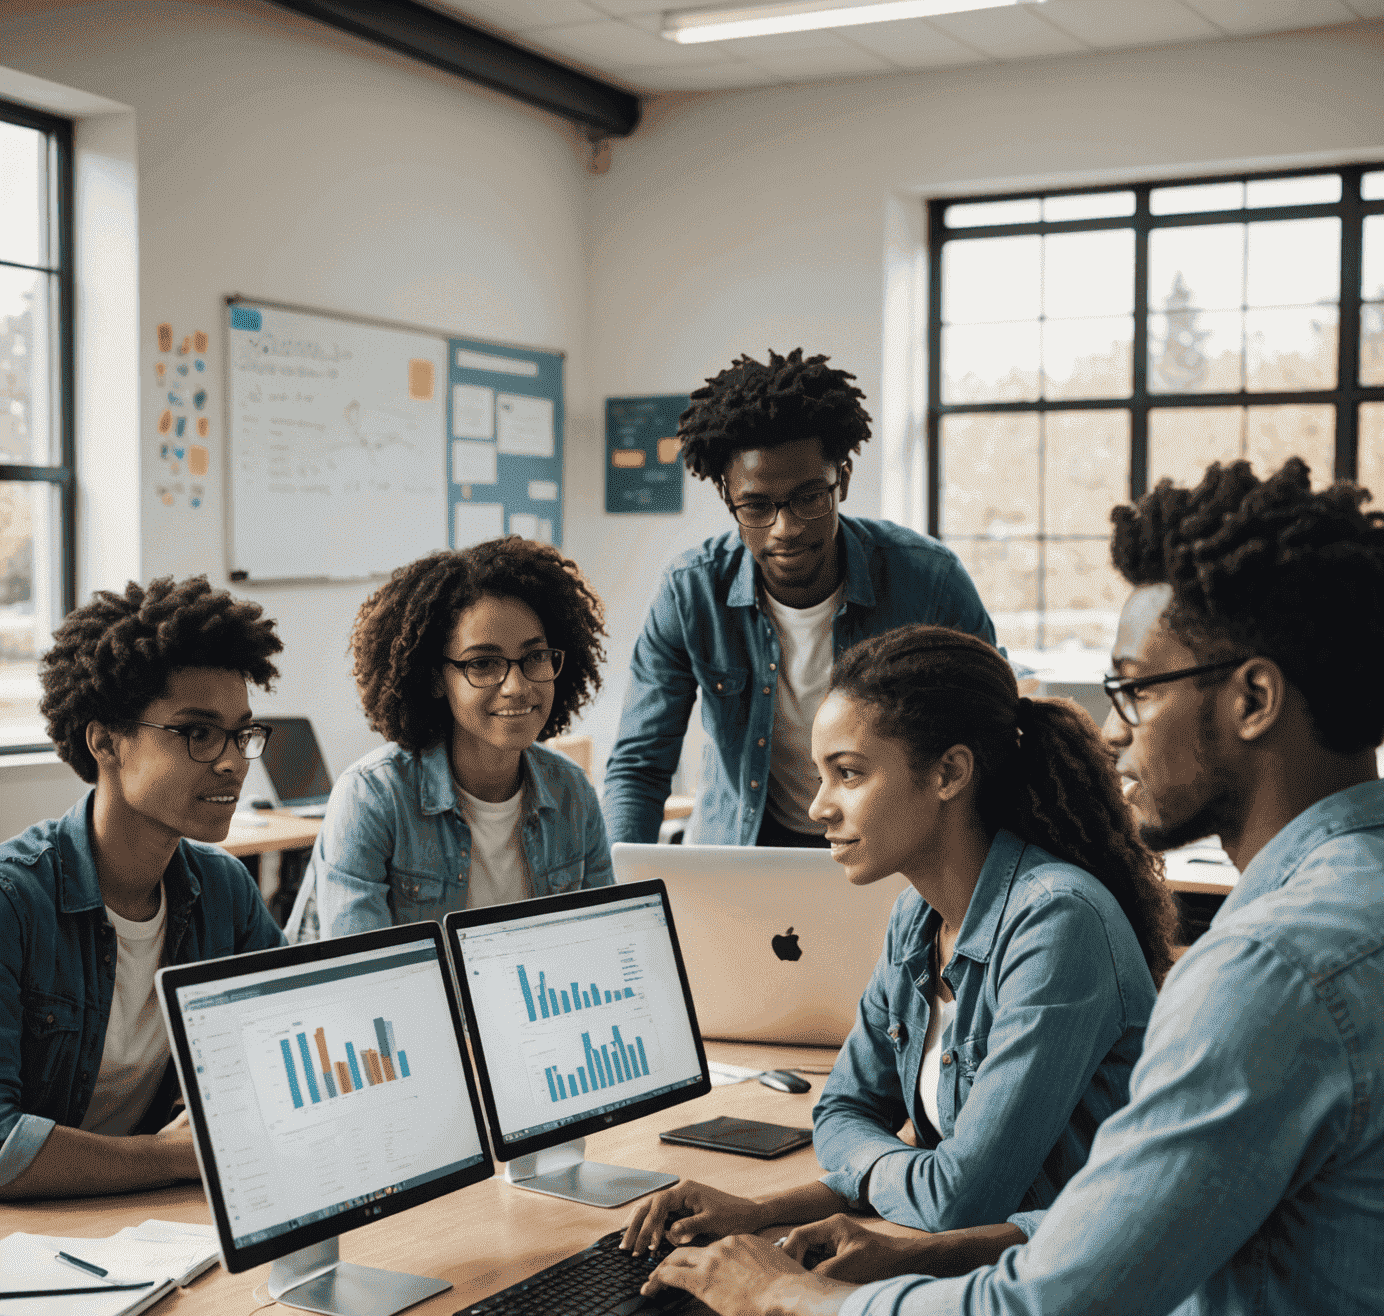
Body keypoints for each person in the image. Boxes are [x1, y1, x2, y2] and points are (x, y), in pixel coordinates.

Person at [632, 458, 1384, 1316]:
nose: (1112, 731)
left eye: (1135, 690)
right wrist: (939, 1249)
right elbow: (1195, 1212)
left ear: (1252, 698)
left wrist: (789, 1294)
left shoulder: (1271, 971)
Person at [623, 625, 1173, 1255]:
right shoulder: (916, 916)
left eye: (848, 774)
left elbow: (962, 1199)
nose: (818, 808)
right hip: (980, 1280)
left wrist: (893, 1173)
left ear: (949, 773)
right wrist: (763, 1212)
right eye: (821, 776)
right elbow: (840, 1114)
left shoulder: (1057, 923)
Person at [602, 348, 1001, 849]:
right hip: (745, 849)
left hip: (893, 850)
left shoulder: (929, 582)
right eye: (757, 506)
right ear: (729, 497)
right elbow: (639, 767)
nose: (785, 529)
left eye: (810, 498)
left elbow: (994, 737)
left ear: (843, 479)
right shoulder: (691, 592)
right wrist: (622, 896)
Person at [0, 576, 285, 1199]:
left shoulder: (223, 889)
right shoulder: (13, 902)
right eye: (198, 733)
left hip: (155, 1224)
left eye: (242, 733)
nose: (233, 761)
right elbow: (1, 1147)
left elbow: (285, 1043)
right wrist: (171, 1156)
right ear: (105, 741)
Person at [287, 538, 612, 940]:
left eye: (535, 656)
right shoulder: (373, 798)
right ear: (436, 679)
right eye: (484, 663)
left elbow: (602, 948)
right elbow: (364, 978)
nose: (515, 686)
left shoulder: (573, 794)